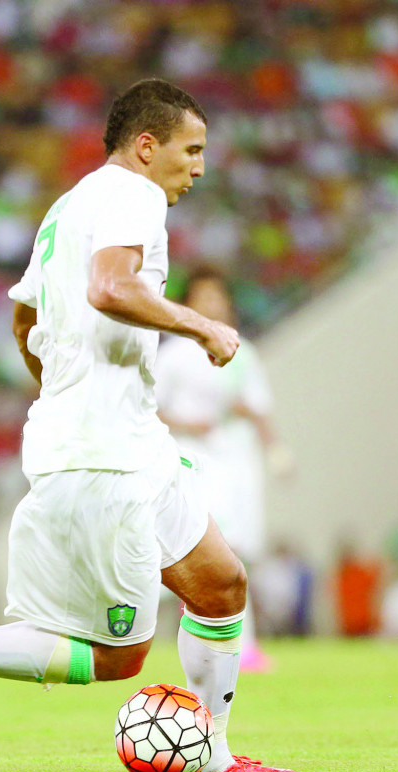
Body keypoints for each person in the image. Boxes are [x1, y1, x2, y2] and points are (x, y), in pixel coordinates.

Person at [0, 79, 295, 772]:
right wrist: (201, 325)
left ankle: (214, 752)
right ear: (147, 146)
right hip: (103, 455)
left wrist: (63, 391)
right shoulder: (134, 195)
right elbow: (110, 287)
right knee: (117, 657)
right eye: (191, 150)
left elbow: (23, 318)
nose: (199, 167)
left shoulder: (67, 207)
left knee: (221, 584)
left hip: (131, 438)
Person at [153, 267, 293, 671]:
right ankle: (190, 637)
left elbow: (258, 407)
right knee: (204, 549)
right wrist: (187, 424)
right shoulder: (174, 355)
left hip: (236, 463)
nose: (212, 304)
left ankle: (241, 645)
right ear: (187, 304)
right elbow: (149, 408)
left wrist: (275, 449)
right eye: (203, 297)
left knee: (239, 551)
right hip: (190, 460)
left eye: (218, 296)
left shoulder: (242, 352)